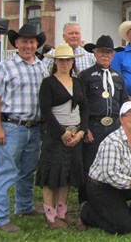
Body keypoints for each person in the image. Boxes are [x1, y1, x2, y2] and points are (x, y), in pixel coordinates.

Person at [0, 24, 49, 233]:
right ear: (16, 43)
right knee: (4, 172)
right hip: (12, 126)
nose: (28, 45)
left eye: (32, 42)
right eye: (24, 41)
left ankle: (24, 206)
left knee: (27, 171)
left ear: (37, 44)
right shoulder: (6, 66)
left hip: (34, 127)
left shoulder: (41, 67)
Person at [78, 101, 131, 234]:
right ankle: (86, 211)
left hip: (127, 183)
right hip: (102, 187)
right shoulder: (112, 142)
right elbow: (110, 174)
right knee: (122, 228)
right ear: (121, 119)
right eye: (129, 114)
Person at [36, 43, 88, 228]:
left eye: (68, 60)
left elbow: (85, 109)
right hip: (55, 134)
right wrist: (61, 133)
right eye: (61, 60)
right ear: (55, 62)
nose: (64, 63)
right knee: (52, 173)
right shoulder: (48, 83)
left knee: (66, 173)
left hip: (75, 133)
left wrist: (81, 131)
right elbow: (45, 111)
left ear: (73, 62)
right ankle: (50, 215)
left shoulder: (79, 82)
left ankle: (62, 211)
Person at [78, 35, 128, 204]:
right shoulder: (85, 76)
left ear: (113, 55)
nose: (105, 55)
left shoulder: (118, 77)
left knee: (115, 163)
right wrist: (84, 128)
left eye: (109, 52)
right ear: (95, 53)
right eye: (102, 52)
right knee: (90, 164)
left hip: (114, 125)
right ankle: (86, 202)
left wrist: (124, 128)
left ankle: (112, 201)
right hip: (94, 126)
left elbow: (124, 103)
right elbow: (80, 104)